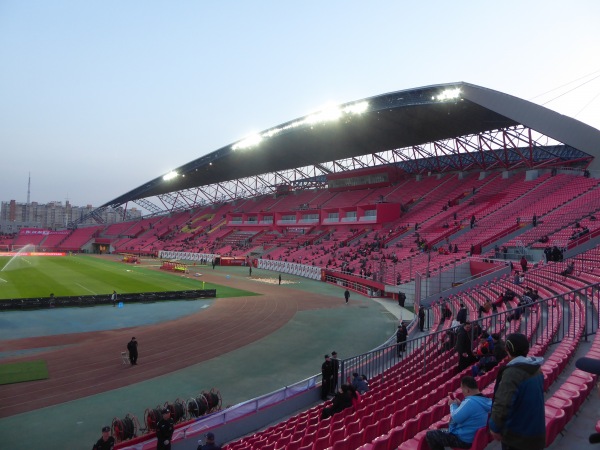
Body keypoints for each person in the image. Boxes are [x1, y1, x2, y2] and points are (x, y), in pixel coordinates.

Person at [489, 333, 545, 450]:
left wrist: (494, 427)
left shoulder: (512, 373)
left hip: (518, 438)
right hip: (536, 433)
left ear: (507, 349)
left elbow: (503, 403)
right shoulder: (536, 369)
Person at [425, 376, 492, 450]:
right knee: (441, 430)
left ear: (467, 390)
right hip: (474, 437)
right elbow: (472, 412)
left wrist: (452, 404)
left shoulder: (470, 402)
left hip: (464, 440)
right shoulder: (484, 400)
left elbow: (455, 418)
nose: (462, 392)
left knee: (430, 435)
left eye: (462, 389)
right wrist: (460, 405)